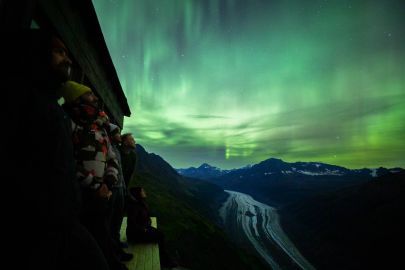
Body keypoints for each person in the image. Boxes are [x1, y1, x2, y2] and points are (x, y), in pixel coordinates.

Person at [3, 30, 109, 270]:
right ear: (38, 54)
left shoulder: (51, 107)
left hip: (63, 219)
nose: (68, 60)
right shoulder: (19, 98)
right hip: (36, 226)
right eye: (59, 52)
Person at [60, 80, 129, 270]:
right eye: (90, 94)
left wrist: (108, 182)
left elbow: (112, 157)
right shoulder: (69, 124)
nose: (96, 97)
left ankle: (112, 262)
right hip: (80, 195)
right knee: (90, 240)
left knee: (102, 233)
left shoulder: (99, 129)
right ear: (77, 98)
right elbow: (67, 162)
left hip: (103, 193)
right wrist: (96, 185)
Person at [126, 187, 178, 268]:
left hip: (143, 229)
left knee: (161, 234)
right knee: (160, 236)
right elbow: (132, 224)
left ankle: (165, 259)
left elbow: (146, 218)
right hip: (136, 235)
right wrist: (144, 229)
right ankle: (165, 260)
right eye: (142, 191)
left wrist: (146, 225)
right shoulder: (134, 207)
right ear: (138, 194)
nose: (144, 192)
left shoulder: (140, 204)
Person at [108, 123, 133, 260]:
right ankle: (113, 251)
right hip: (112, 189)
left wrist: (123, 187)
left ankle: (115, 244)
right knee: (111, 220)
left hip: (120, 188)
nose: (120, 134)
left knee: (117, 219)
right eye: (117, 132)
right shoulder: (109, 148)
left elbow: (121, 172)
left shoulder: (116, 150)